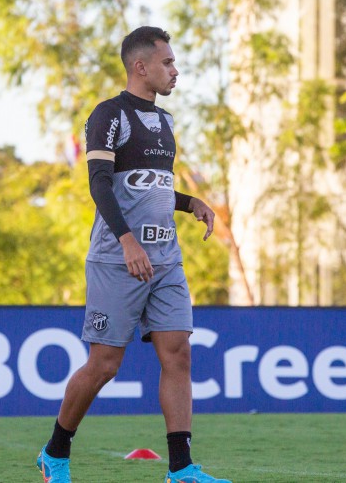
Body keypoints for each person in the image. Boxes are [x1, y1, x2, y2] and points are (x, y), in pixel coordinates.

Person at [36, 26, 230, 483]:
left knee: (178, 352)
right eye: (168, 62)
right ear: (140, 66)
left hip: (166, 258)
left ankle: (181, 469)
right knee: (104, 364)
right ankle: (55, 452)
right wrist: (127, 241)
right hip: (116, 257)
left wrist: (190, 203)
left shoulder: (165, 122)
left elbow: (151, 186)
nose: (175, 71)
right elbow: (101, 183)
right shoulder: (109, 115)